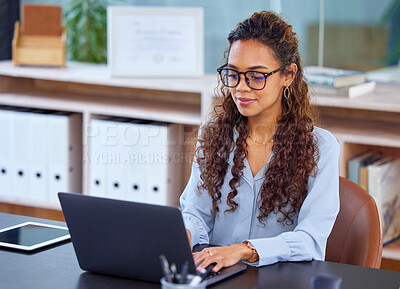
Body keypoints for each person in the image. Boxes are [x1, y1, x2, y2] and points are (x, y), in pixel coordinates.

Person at [180, 11, 340, 273]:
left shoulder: (321, 147)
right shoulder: (213, 134)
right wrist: (184, 234)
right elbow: (196, 212)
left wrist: (245, 250)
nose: (241, 87)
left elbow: (311, 240)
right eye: (233, 74)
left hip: (279, 278)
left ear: (288, 75)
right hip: (217, 274)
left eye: (256, 76)